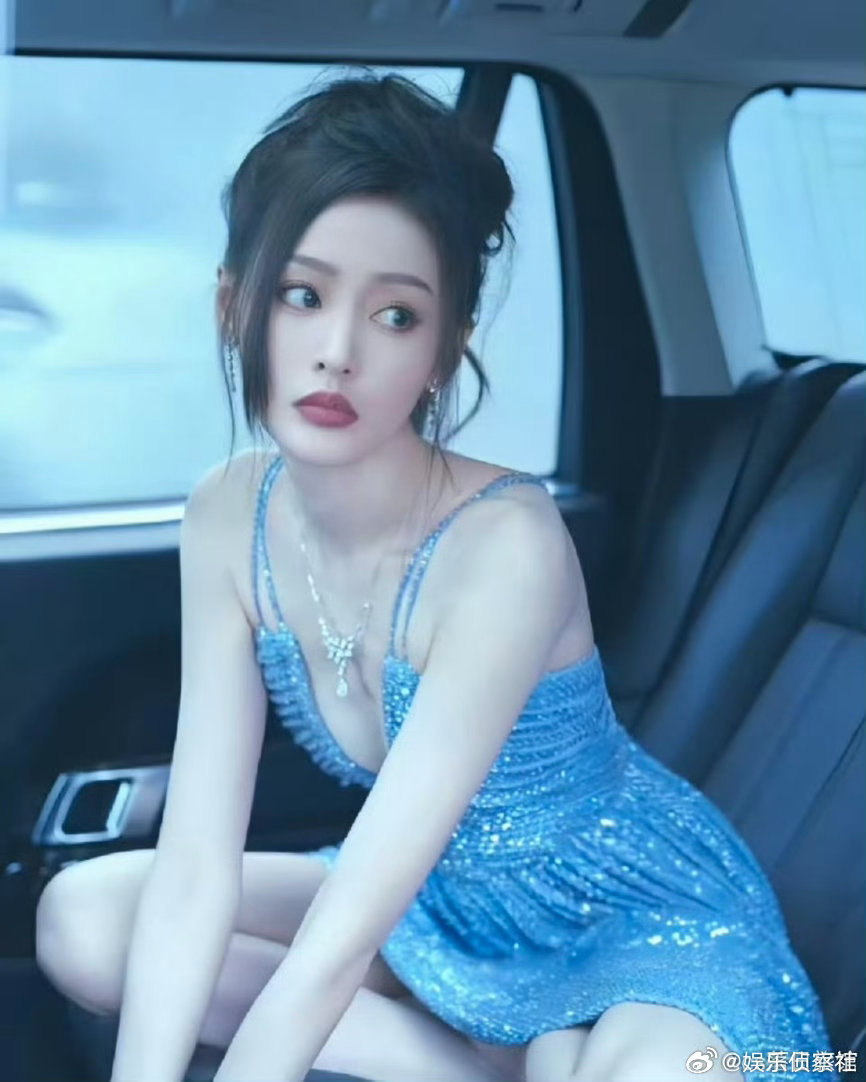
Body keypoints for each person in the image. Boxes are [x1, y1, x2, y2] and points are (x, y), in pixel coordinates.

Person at [35, 71, 836, 1082]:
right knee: (86, 919)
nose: (336, 353)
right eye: (302, 295)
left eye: (396, 316)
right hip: (441, 909)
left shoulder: (504, 543)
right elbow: (197, 862)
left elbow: (331, 950)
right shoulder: (226, 514)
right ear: (234, 304)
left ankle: (546, 1053)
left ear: (447, 349)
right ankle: (499, 1060)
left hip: (629, 922)